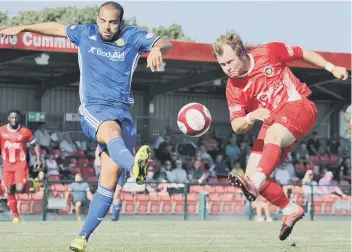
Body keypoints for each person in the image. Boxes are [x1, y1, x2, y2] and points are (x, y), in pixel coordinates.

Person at [0, 2, 172, 251]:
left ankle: (81, 238)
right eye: (103, 20)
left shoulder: (132, 37)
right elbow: (55, 28)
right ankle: (135, 167)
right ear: (97, 19)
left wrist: (156, 48)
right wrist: (23, 27)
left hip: (123, 113)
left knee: (108, 183)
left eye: (113, 22)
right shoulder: (85, 33)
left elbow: (168, 43)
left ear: (120, 23)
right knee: (111, 130)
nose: (107, 26)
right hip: (94, 109)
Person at [211, 31, 348, 241]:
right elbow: (237, 124)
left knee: (257, 174)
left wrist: (331, 67)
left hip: (299, 106)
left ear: (242, 53)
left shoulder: (269, 51)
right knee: (250, 175)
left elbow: (303, 53)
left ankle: (255, 184)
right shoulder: (233, 88)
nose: (226, 68)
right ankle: (290, 209)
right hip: (273, 122)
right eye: (222, 64)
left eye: (229, 61)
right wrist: (251, 117)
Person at [0, 110, 41, 222]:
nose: (14, 120)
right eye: (12, 118)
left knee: (20, 189)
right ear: (8, 118)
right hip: (7, 165)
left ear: (19, 119)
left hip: (20, 165)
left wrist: (38, 159)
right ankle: (16, 216)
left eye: (16, 118)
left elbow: (35, 144)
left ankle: (31, 183)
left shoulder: (25, 131)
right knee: (10, 190)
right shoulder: (1, 131)